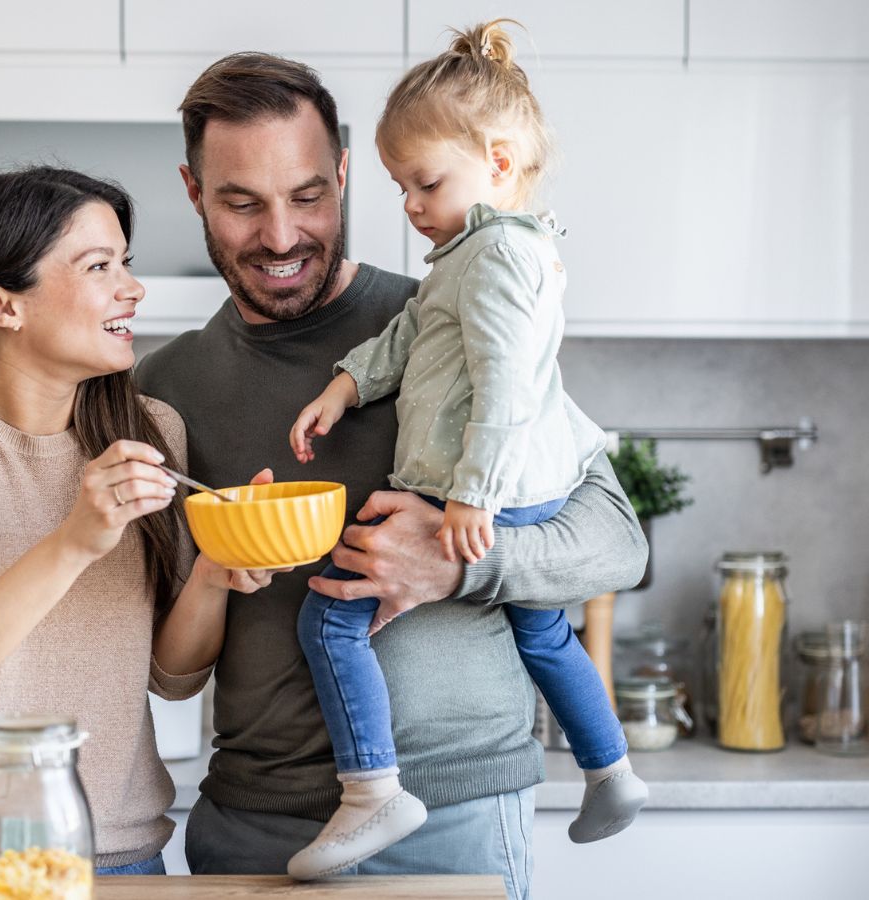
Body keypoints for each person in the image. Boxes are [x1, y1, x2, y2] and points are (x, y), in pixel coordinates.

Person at [136, 52, 647, 899]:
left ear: (343, 175)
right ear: (194, 193)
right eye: (240, 203)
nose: (280, 235)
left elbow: (614, 543)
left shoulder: (457, 308)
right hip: (254, 825)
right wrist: (218, 567)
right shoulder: (167, 387)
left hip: (456, 817)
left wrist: (461, 563)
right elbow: (173, 672)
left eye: (307, 196)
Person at [0, 166, 280, 877]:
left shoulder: (150, 430)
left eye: (125, 264)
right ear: (1, 304)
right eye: (99, 266)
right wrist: (76, 541)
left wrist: (214, 571)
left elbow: (171, 676)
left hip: (122, 858)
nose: (131, 288)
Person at [284, 21, 647, 878]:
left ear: (500, 162)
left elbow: (509, 384)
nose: (410, 203)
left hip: (486, 486)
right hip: (509, 486)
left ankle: (373, 790)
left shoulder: (497, 260)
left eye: (424, 182)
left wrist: (471, 498)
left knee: (331, 612)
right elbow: (411, 332)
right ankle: (612, 771)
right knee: (544, 633)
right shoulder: (470, 253)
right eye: (401, 186)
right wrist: (347, 384)